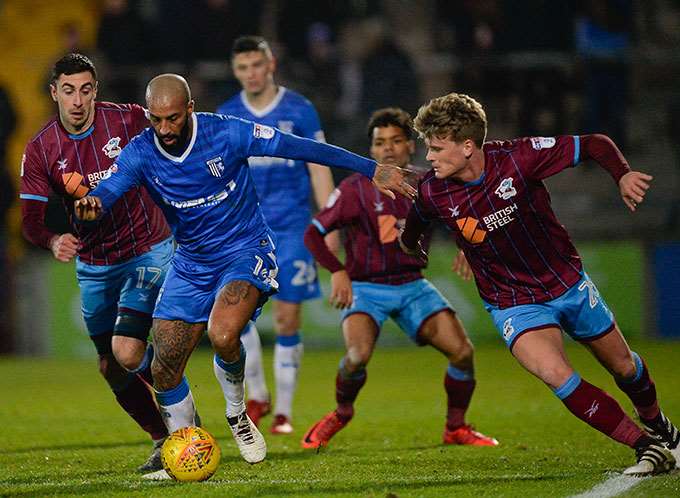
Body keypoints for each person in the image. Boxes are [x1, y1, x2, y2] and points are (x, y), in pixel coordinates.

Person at [73, 73, 413, 474]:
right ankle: (187, 453)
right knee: (164, 367)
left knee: (223, 333)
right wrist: (92, 205)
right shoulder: (141, 152)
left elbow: (300, 147)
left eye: (173, 118)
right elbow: (108, 191)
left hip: (244, 250)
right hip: (191, 263)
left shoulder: (227, 134)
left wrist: (370, 168)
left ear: (190, 109)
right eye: (156, 119)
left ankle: (237, 416)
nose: (164, 129)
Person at [399, 92, 678, 476]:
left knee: (624, 368)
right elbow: (414, 226)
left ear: (467, 146)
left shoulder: (519, 157)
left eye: (435, 148)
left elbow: (595, 143)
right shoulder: (433, 190)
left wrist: (623, 173)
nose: (428, 157)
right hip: (511, 301)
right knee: (555, 374)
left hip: (565, 282)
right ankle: (646, 447)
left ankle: (660, 426)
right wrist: (414, 249)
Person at [300, 107, 498, 449]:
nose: (387, 149)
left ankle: (456, 428)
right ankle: (342, 412)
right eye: (379, 143)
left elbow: (469, 212)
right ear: (372, 149)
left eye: (396, 141)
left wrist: (468, 244)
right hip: (366, 288)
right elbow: (314, 234)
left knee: (463, 353)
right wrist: (338, 271)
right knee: (357, 357)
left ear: (411, 146)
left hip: (412, 286)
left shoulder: (431, 183)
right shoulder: (354, 189)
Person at [19, 53, 172, 473]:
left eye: (85, 89)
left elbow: (175, 130)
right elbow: (30, 220)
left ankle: (184, 424)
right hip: (96, 262)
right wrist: (52, 240)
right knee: (110, 365)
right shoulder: (40, 150)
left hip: (148, 246)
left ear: (95, 91)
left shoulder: (127, 121)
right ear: (54, 93)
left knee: (128, 349)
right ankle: (164, 437)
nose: (77, 100)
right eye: (68, 90)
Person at [216, 35, 339, 434]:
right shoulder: (226, 114)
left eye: (256, 65)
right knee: (237, 317)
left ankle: (283, 411)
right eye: (242, 67)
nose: (250, 74)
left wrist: (329, 221)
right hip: (244, 233)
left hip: (291, 229)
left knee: (287, 318)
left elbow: (319, 166)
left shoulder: (298, 109)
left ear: (270, 64)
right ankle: (258, 395)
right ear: (235, 72)